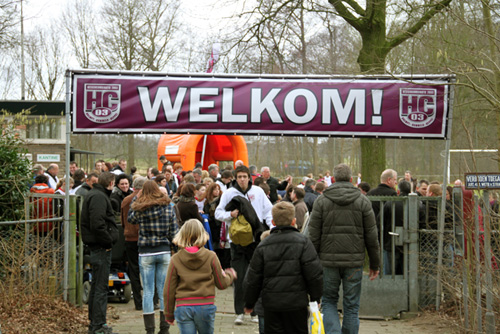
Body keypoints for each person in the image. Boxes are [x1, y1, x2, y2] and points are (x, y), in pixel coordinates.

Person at [308, 163, 380, 334]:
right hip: (354, 262)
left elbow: (313, 236)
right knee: (352, 305)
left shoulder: (321, 201)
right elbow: (371, 236)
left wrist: (312, 262)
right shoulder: (363, 201)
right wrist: (374, 264)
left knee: (329, 301)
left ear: (333, 179)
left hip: (327, 262)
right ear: (351, 179)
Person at [243, 201, 323, 334]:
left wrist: (249, 302)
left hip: (272, 304)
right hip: (297, 303)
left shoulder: (263, 246)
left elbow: (253, 277)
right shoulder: (303, 243)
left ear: (273, 222)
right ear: (294, 221)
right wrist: (316, 297)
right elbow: (314, 273)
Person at [215, 165, 273, 325]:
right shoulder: (229, 193)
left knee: (254, 277)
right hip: (237, 241)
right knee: (239, 277)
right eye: (239, 176)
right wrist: (230, 214)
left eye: (244, 176)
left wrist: (272, 226)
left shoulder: (258, 192)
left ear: (249, 177)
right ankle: (239, 312)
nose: (242, 179)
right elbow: (217, 213)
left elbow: (268, 211)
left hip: (255, 240)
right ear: (235, 178)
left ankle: (254, 311)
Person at [163, 219, 236, 333]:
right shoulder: (211, 256)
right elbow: (221, 284)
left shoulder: (175, 260)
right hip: (205, 305)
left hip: (183, 306)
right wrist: (230, 275)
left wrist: (168, 314)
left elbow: (168, 290)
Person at [128, 180, 179, 334]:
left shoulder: (140, 208)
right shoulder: (168, 208)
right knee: (164, 290)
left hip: (145, 252)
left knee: (148, 292)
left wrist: (136, 198)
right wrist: (175, 250)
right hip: (163, 251)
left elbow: (130, 219)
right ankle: (164, 329)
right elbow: (174, 233)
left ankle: (149, 330)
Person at [80, 172, 119, 334]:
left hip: (98, 246)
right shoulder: (98, 197)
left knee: (97, 286)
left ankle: (96, 323)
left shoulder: (96, 195)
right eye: (114, 183)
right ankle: (98, 325)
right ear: (110, 183)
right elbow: (97, 223)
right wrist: (108, 242)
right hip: (100, 247)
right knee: (100, 287)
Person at [121, 176, 147, 311]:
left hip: (129, 238)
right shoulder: (146, 200)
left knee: (134, 269)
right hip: (144, 239)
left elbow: (122, 220)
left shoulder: (126, 200)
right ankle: (150, 301)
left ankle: (138, 301)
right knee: (147, 270)